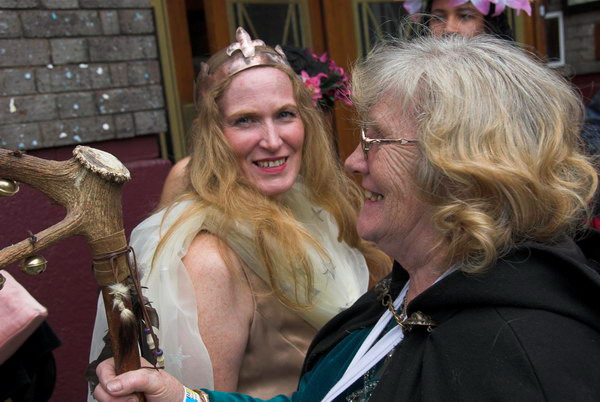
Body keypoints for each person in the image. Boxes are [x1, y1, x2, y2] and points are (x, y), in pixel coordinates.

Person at [93, 34, 600, 402]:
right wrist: (184, 399)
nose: (354, 162)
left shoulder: (516, 358)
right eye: (245, 120)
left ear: (458, 167)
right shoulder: (410, 290)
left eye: (376, 139)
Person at [88, 27, 390, 399]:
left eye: (285, 114)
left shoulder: (319, 207)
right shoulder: (212, 260)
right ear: (213, 134)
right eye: (245, 120)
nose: (273, 140)